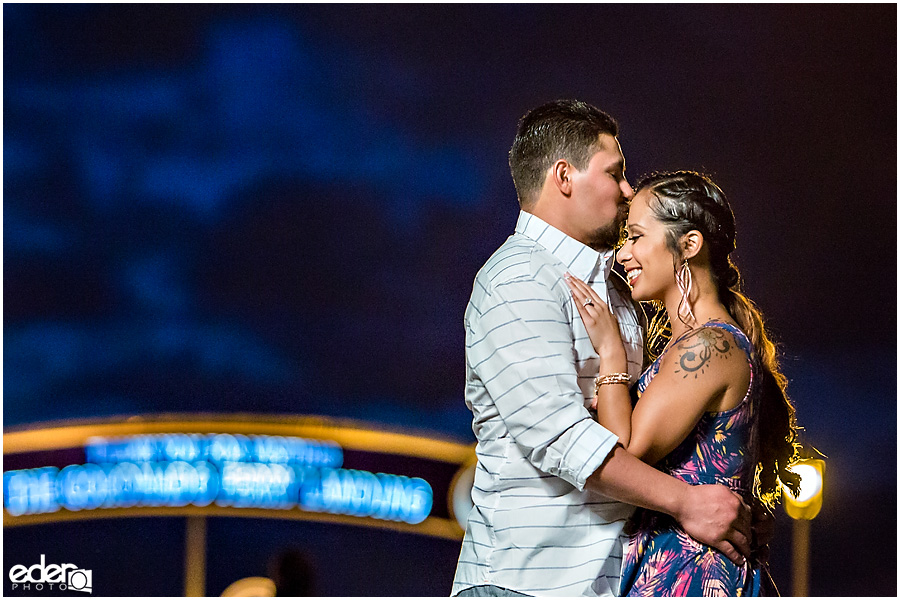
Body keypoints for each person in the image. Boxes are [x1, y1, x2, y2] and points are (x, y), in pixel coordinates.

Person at [451, 101, 752, 598]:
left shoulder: (615, 289)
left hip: (609, 580)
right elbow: (561, 438)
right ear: (564, 176)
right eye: (616, 173)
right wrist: (688, 502)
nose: (628, 189)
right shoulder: (518, 278)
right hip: (528, 580)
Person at [565, 171, 800, 596]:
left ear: (689, 245)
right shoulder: (696, 343)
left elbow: (622, 449)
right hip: (670, 569)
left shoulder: (711, 346)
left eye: (636, 236)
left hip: (693, 575)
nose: (623, 255)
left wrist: (611, 353)